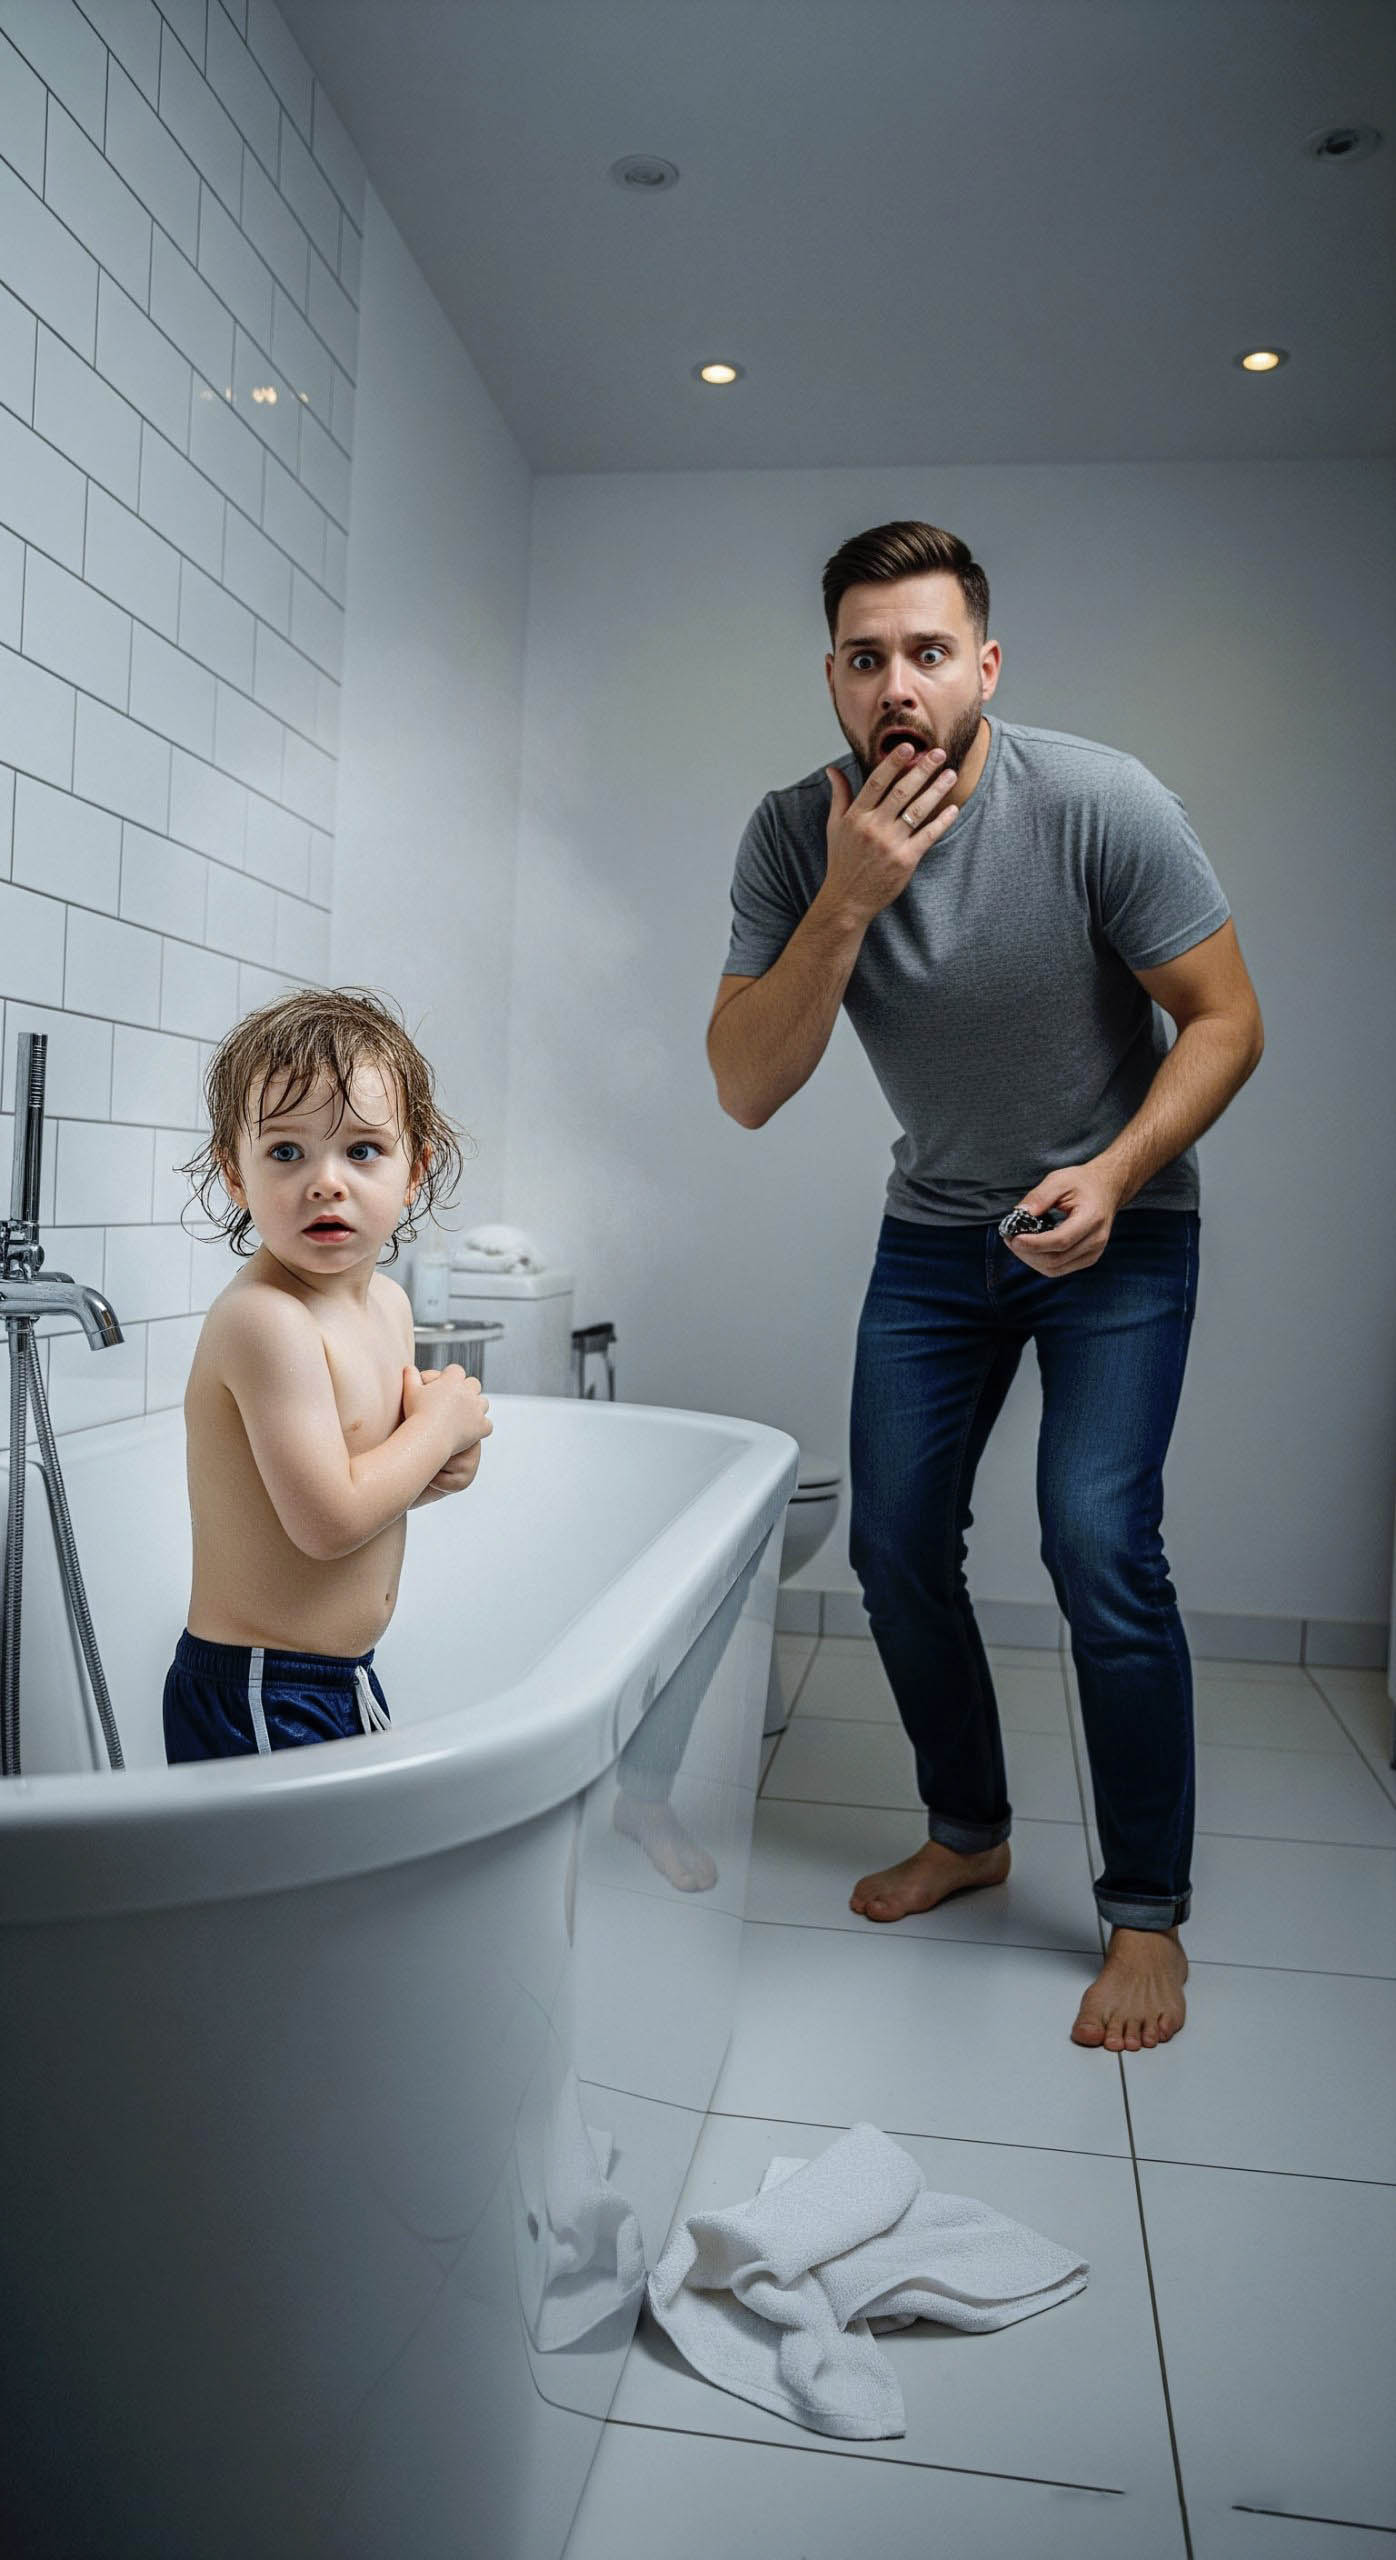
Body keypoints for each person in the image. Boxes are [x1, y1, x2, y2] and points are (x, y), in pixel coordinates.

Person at [707, 519, 1265, 2054]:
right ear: (832, 674)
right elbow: (746, 1086)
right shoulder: (791, 834)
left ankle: (1145, 1914)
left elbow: (1224, 1020)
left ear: (985, 666)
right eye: (868, 656)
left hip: (1117, 1222)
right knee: (892, 1546)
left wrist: (1120, 1171)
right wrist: (847, 898)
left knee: (1097, 1540)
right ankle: (971, 1830)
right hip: (939, 1235)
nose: (900, 684)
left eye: (930, 652)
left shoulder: (1097, 801)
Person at [162, 986, 491, 1761]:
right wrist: (441, 1425)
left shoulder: (389, 1305)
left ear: (416, 1170)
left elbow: (380, 1470)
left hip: (342, 1678)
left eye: (363, 1150)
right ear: (236, 1178)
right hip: (259, 1689)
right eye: (286, 1152)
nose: (326, 1181)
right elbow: (330, 1522)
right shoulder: (266, 1321)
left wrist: (447, 1460)